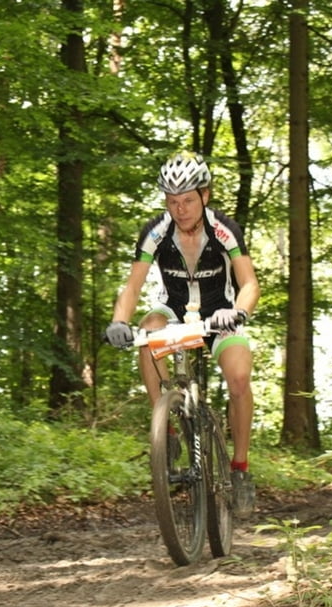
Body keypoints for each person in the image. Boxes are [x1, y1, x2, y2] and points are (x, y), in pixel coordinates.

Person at [104, 151, 261, 517]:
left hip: (219, 315)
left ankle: (239, 469)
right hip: (173, 312)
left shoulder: (224, 229)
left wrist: (238, 312)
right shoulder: (155, 232)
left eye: (188, 200)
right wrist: (118, 321)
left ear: (204, 196)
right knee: (147, 334)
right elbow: (132, 287)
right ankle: (167, 432)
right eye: (173, 201)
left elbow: (249, 282)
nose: (181, 209)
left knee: (239, 379)